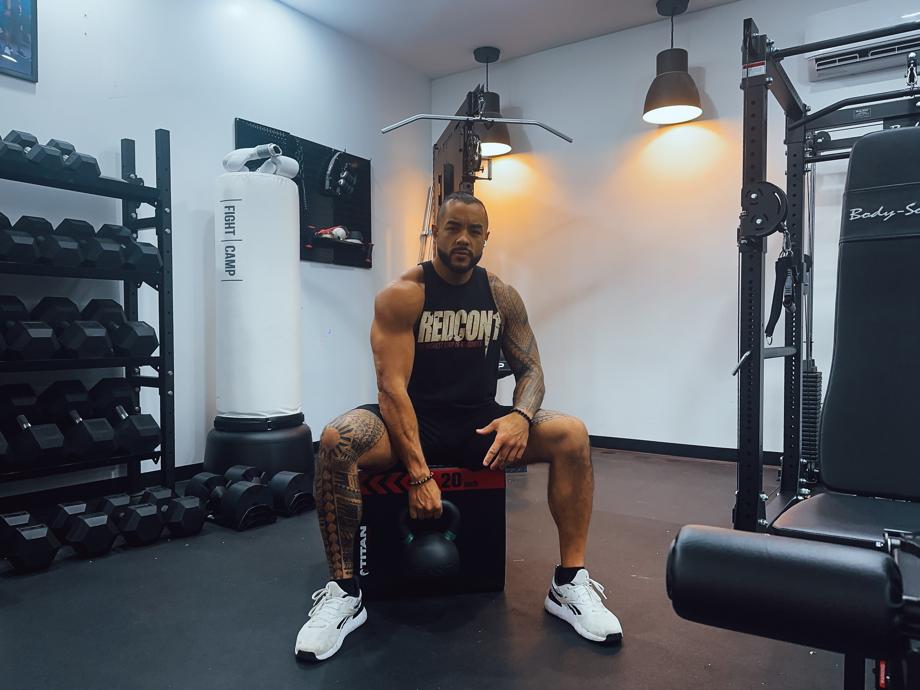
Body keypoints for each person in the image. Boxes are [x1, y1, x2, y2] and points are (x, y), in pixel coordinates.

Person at [295, 191, 622, 661]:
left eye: (474, 230)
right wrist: (420, 474)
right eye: (453, 228)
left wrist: (519, 416)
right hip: (409, 420)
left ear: (487, 238)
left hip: (476, 422)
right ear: (435, 235)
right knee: (337, 439)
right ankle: (345, 593)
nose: (463, 239)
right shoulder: (405, 295)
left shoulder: (501, 295)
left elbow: (532, 371)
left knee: (572, 433)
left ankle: (569, 584)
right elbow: (392, 391)